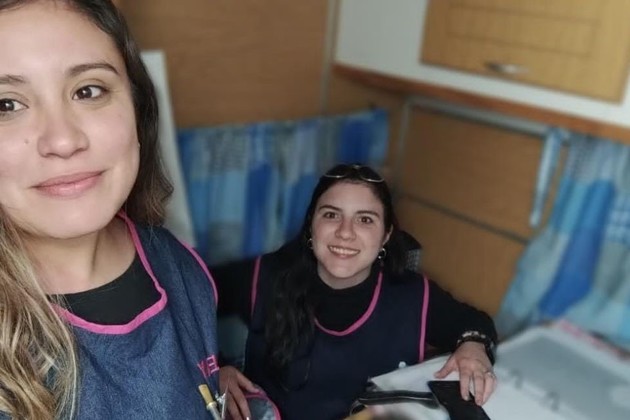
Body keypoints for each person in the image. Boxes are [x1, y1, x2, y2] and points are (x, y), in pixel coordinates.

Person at [0, 1, 222, 418]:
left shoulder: (177, 264)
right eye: (6, 105)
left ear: (138, 108)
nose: (63, 141)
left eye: (88, 91)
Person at [213, 163, 499, 420]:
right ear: (311, 225)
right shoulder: (266, 276)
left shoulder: (412, 294)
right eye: (331, 215)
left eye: (365, 219)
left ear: (386, 234)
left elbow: (473, 323)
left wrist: (473, 346)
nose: (345, 232)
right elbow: (189, 300)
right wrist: (216, 369)